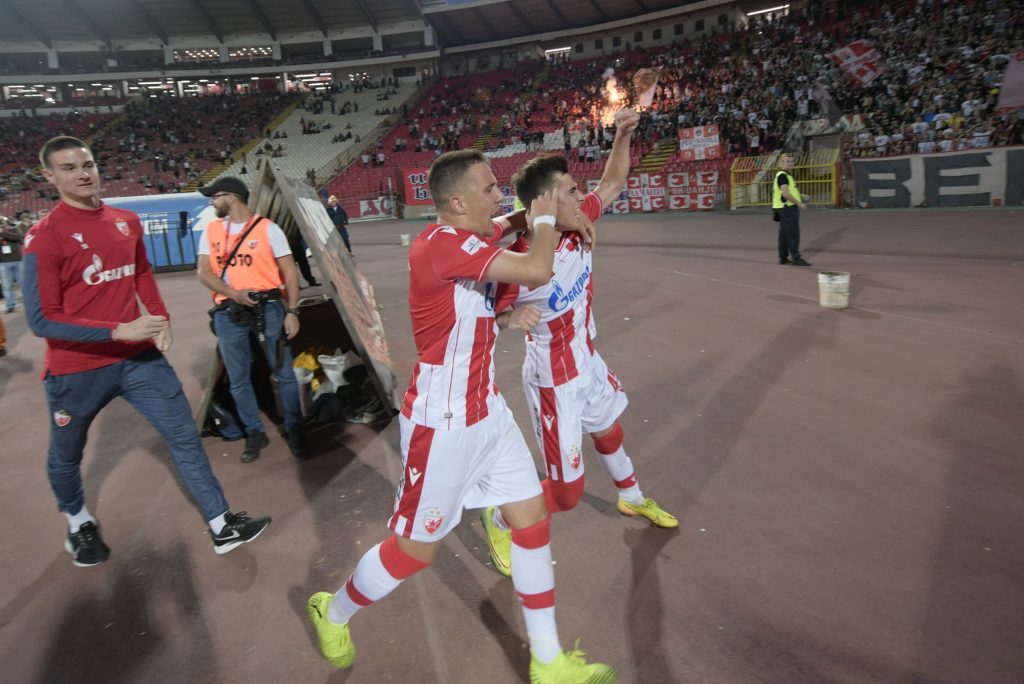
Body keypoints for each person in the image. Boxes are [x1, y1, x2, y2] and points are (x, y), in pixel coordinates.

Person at [306, 150, 615, 683]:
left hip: (488, 412)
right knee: (413, 553)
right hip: (442, 424)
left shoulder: (464, 238)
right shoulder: (438, 244)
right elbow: (537, 264)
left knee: (532, 521)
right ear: (456, 201)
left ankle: (549, 662)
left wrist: (506, 303)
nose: (499, 195)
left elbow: (499, 241)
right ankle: (331, 612)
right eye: (490, 187)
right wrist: (545, 217)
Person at [22, 136, 271, 568]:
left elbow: (139, 271)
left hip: (139, 359)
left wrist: (160, 316)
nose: (83, 173)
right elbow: (42, 320)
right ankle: (79, 521)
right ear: (49, 177)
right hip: (76, 369)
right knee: (66, 456)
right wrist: (118, 329)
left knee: (183, 436)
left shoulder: (124, 221)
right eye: (68, 168)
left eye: (88, 163)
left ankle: (221, 524)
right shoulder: (44, 237)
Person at [482, 108, 678, 580]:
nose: (583, 195)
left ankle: (631, 498)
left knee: (609, 428)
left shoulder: (576, 223)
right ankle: (500, 515)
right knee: (567, 495)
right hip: (554, 380)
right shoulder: (518, 262)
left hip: (586, 358)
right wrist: (506, 318)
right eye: (571, 191)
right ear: (547, 204)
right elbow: (473, 323)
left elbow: (613, 181)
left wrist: (624, 135)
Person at [196, 176, 308, 463]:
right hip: (228, 312)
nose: (211, 202)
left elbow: (290, 272)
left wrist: (292, 311)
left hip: (268, 309)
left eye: (215, 196)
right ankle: (254, 432)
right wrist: (233, 293)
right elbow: (203, 273)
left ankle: (295, 429)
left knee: (284, 373)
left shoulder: (268, 229)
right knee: (237, 379)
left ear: (231, 197)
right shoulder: (211, 230)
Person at [773, 153, 811, 266]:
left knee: (784, 233)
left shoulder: (785, 175)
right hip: (788, 208)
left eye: (792, 161)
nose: (791, 163)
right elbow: (785, 194)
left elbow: (789, 191)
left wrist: (801, 195)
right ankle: (796, 258)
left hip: (782, 208)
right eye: (788, 161)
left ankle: (783, 257)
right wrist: (799, 203)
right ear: (781, 163)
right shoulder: (783, 176)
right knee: (793, 233)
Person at [0, 214, 28, 313]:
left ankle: (29, 302)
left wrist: (2, 233)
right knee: (7, 285)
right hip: (3, 263)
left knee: (24, 283)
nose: (1, 223)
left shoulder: (14, 229)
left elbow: (19, 236)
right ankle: (10, 305)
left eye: (2, 222)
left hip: (18, 260)